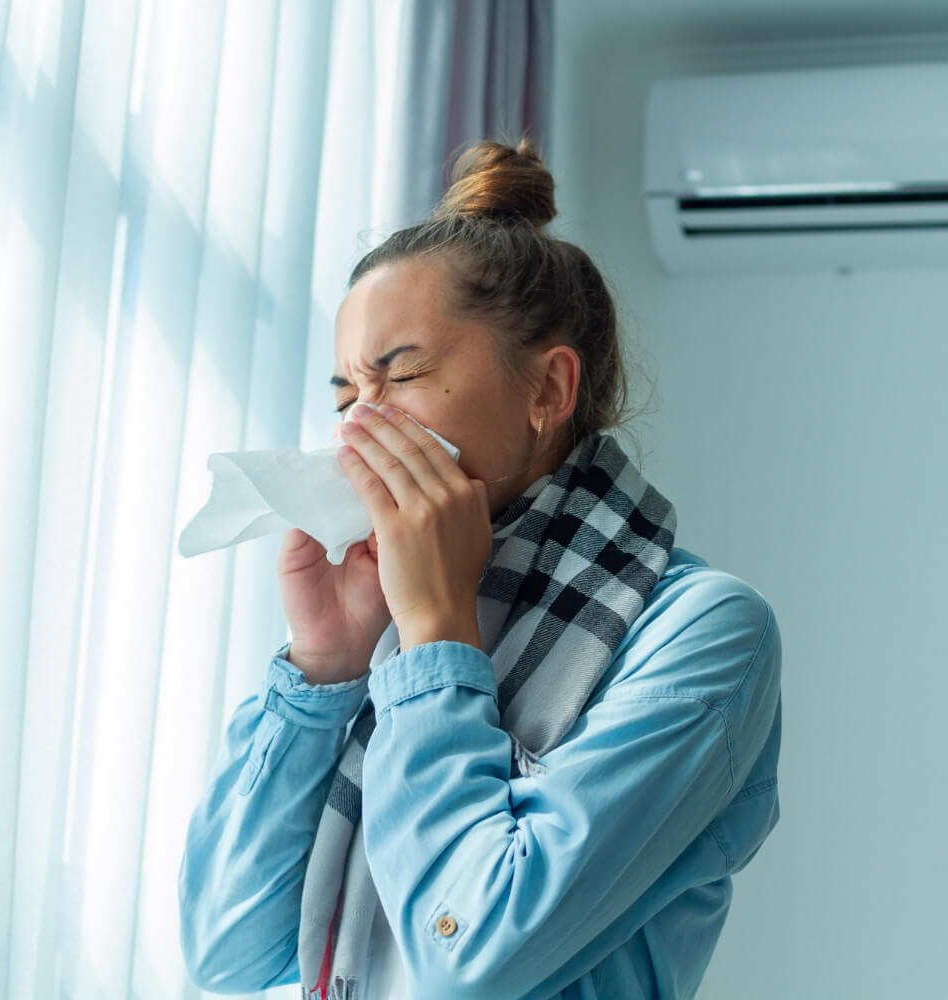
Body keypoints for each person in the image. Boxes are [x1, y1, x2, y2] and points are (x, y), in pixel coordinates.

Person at [177, 138, 782, 1000]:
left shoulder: (704, 633)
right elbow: (228, 954)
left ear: (548, 390)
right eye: (346, 396)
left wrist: (434, 638)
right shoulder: (379, 626)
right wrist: (325, 669)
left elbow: (469, 958)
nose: (357, 432)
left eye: (403, 376)